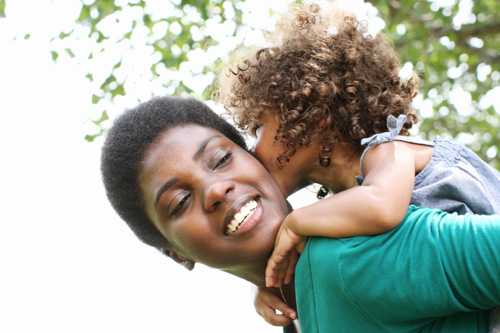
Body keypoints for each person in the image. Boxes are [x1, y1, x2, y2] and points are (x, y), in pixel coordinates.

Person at [101, 96, 500, 333]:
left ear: (256, 160)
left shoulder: (342, 259)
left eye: (221, 159)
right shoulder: (304, 306)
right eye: (180, 202)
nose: (216, 190)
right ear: (175, 251)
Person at [219, 4, 500, 329]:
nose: (253, 150)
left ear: (312, 119)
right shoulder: (351, 199)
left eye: (258, 129)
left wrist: (296, 223)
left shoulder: (389, 151)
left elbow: (383, 208)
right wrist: (271, 283)